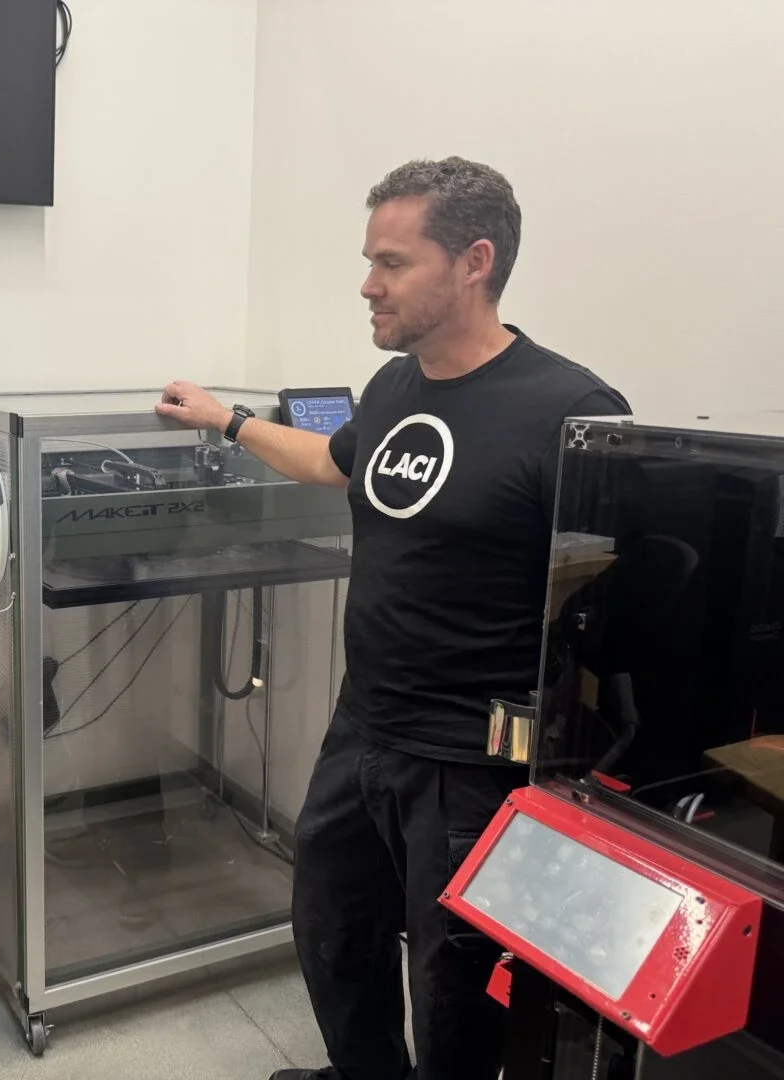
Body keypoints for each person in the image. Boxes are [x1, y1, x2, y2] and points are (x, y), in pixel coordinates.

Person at [157, 158, 629, 1080]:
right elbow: (337, 463)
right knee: (333, 935)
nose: (367, 284)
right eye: (369, 260)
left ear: (473, 263)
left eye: (392, 262)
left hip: (471, 764)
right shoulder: (396, 388)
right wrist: (228, 420)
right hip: (362, 728)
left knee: (453, 993)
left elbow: (613, 615)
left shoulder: (571, 413)